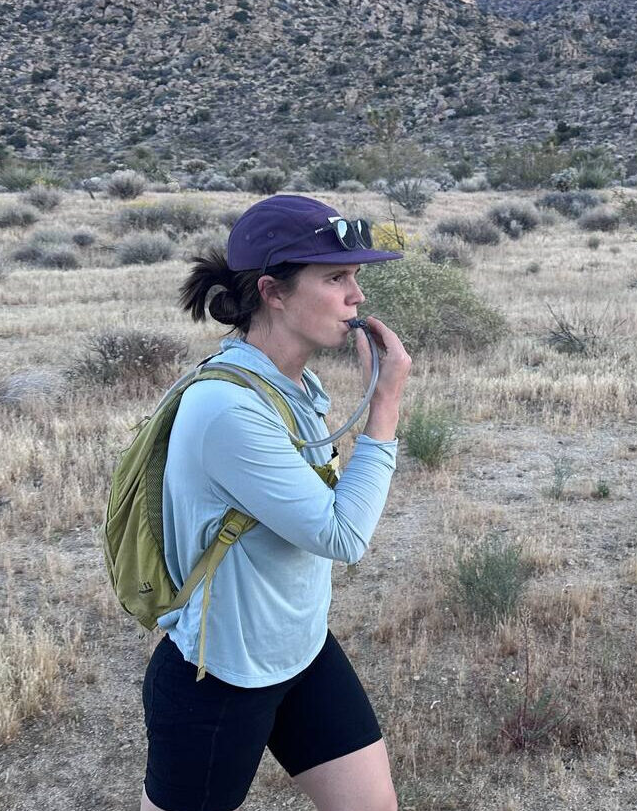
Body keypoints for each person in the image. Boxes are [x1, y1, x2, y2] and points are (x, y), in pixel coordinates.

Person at [140, 194, 412, 811]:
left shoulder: (293, 383)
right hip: (222, 677)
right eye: (335, 277)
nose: (357, 296)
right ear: (274, 292)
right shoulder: (229, 408)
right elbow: (344, 537)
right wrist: (385, 405)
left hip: (301, 649)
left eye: (356, 277)